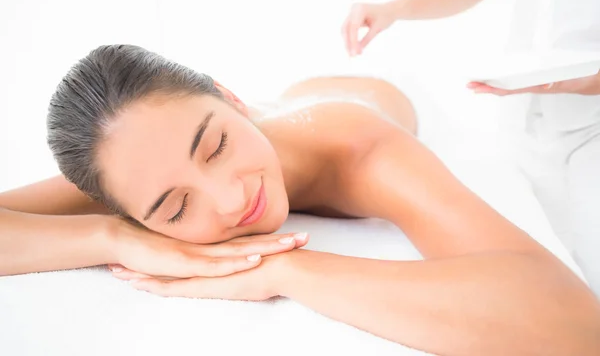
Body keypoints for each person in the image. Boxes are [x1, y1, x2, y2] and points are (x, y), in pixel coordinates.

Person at [0, 44, 599, 355]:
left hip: (370, 93)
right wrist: (115, 237)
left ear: (230, 99)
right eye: (175, 211)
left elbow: (574, 324)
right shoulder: (136, 170)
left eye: (216, 147)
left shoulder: (360, 148)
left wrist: (286, 268)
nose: (231, 199)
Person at [341, 0, 600, 295]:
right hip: (523, 112)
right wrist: (392, 10)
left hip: (590, 118)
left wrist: (581, 82)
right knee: (553, 256)